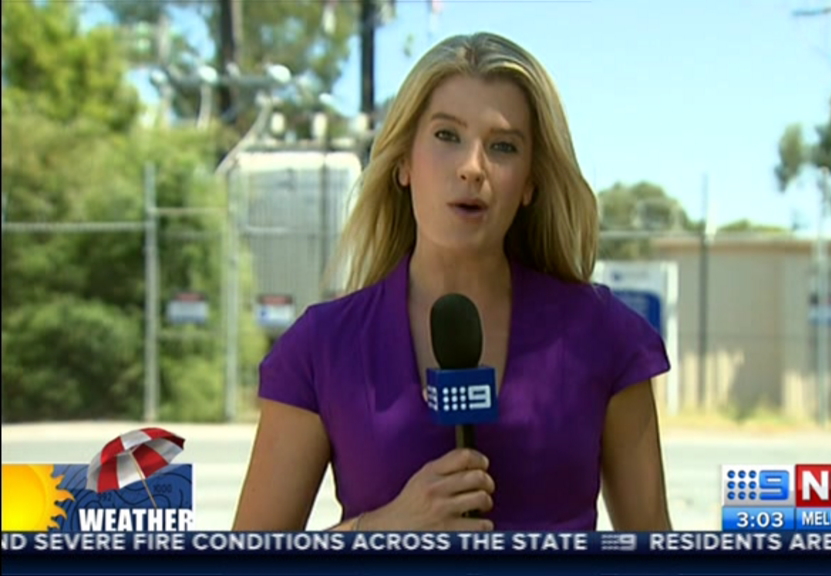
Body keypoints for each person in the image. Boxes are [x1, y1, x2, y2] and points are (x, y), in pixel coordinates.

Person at [233, 32, 672, 532]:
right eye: (447, 136)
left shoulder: (606, 338)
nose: (471, 168)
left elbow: (657, 553)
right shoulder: (321, 349)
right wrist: (379, 531)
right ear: (403, 161)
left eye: (503, 146)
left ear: (530, 182)